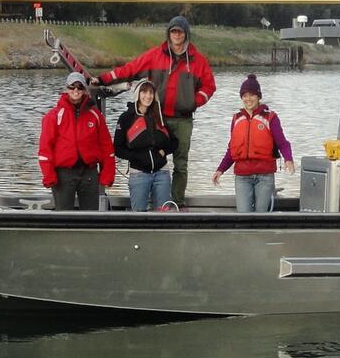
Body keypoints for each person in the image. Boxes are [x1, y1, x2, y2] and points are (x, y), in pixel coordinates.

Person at [93, 15, 216, 206]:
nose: (176, 35)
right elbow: (130, 69)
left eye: (180, 31)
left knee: (181, 164)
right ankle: (153, 202)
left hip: (183, 119)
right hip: (157, 117)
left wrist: (194, 101)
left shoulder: (198, 60)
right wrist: (102, 79)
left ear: (186, 34)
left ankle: (176, 202)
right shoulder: (154, 55)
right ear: (168, 34)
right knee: (152, 157)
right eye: (173, 31)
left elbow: (209, 86)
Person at [212, 74, 295, 212]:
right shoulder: (236, 119)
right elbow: (231, 150)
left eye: (251, 95)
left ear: (258, 96)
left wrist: (288, 159)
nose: (248, 99)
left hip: (264, 176)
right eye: (244, 95)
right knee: (243, 214)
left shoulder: (270, 117)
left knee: (261, 215)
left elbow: (283, 143)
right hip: (242, 177)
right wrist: (220, 170)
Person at [38, 72, 117, 211]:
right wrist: (49, 175)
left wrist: (107, 174)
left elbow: (106, 147)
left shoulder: (95, 115)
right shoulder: (53, 116)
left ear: (84, 90)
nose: (76, 90)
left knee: (90, 217)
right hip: (63, 174)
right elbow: (45, 149)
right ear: (66, 89)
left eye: (80, 87)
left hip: (89, 173)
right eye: (72, 87)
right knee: (63, 216)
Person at [113, 79, 179, 211]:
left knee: (163, 215)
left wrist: (164, 151)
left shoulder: (158, 116)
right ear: (138, 93)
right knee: (138, 215)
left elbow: (174, 142)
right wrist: (136, 157)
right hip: (139, 174)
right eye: (144, 92)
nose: (147, 96)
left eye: (151, 93)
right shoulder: (126, 118)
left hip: (162, 173)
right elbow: (118, 148)